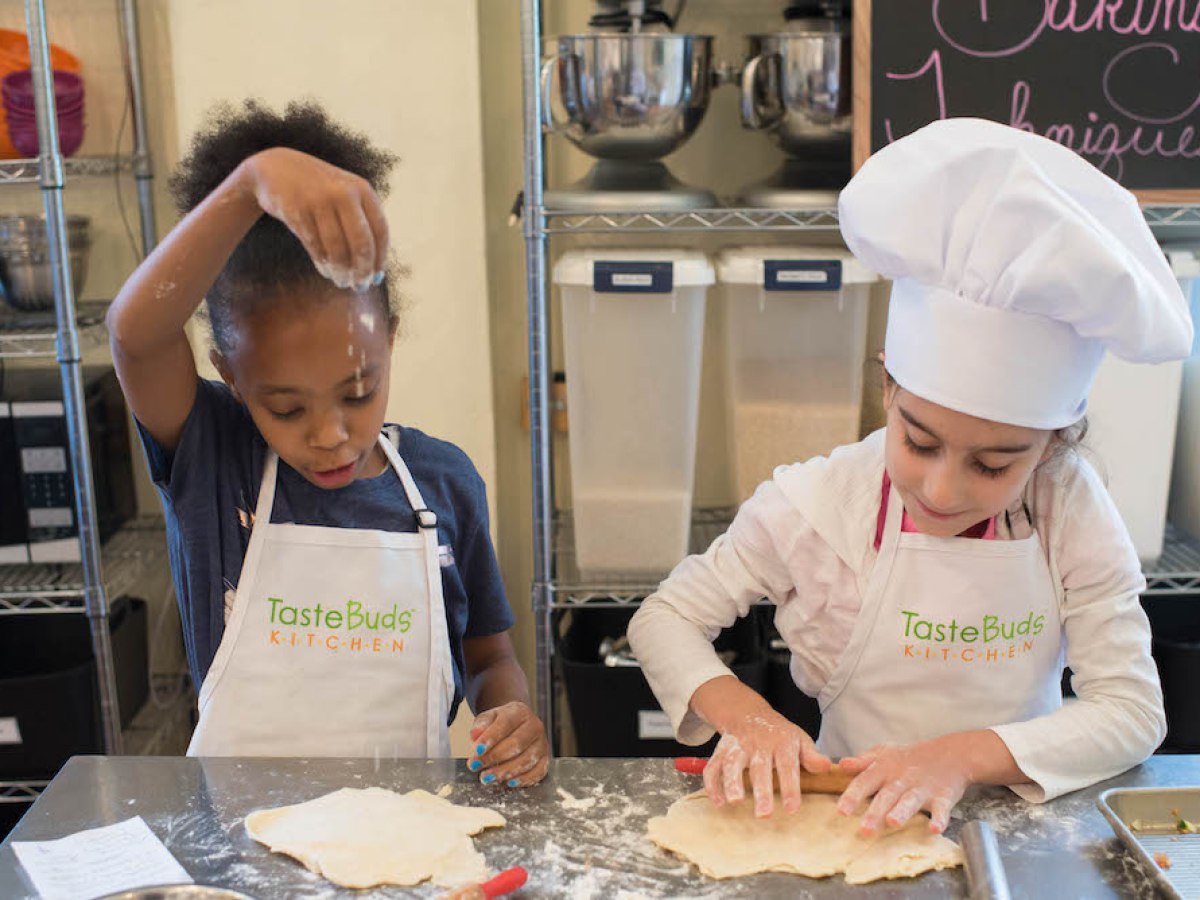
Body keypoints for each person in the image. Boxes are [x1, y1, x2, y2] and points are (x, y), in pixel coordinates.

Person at [628, 117, 1193, 835]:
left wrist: (955, 758)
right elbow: (666, 617)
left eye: (994, 463)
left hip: (1026, 823)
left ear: (1051, 446)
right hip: (856, 820)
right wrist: (749, 719)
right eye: (919, 442)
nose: (943, 489)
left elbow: (1132, 711)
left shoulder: (1069, 505)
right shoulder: (818, 505)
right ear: (888, 392)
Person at [107, 100, 548, 787]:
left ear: (391, 340)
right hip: (237, 843)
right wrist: (250, 183)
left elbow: (490, 657)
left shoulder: (443, 482)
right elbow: (135, 334)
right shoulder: (214, 457)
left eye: (358, 393)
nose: (330, 435)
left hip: (407, 837)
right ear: (230, 376)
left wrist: (513, 713)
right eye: (285, 407)